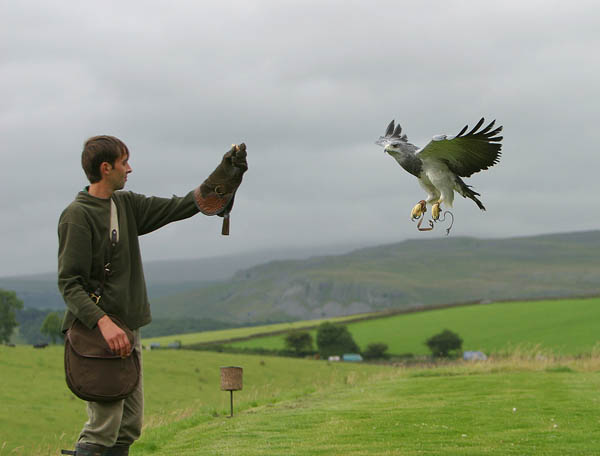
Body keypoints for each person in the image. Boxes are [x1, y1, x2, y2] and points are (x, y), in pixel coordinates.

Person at [57, 136, 247, 456]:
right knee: (102, 428)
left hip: (128, 329)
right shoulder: (78, 215)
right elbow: (69, 283)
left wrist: (224, 177)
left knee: (128, 425)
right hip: (98, 333)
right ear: (106, 168)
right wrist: (103, 324)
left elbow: (181, 206)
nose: (129, 169)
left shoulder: (126, 205)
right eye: (123, 162)